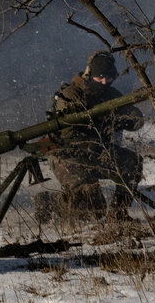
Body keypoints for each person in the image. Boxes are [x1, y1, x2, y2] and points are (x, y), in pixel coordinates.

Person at [34, 51, 145, 221]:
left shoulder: (112, 94)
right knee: (92, 210)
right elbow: (69, 136)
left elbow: (135, 115)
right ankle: (50, 202)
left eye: (108, 78)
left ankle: (118, 214)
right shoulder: (71, 95)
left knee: (132, 162)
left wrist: (125, 121)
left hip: (99, 152)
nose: (104, 82)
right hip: (68, 155)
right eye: (100, 77)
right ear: (90, 74)